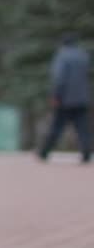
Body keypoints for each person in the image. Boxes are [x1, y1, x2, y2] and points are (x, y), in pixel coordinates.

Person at [38, 33, 91, 163]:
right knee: (83, 128)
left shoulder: (62, 56)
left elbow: (59, 79)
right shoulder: (83, 56)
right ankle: (87, 153)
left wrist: (56, 95)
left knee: (56, 127)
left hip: (65, 100)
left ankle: (44, 152)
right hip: (82, 99)